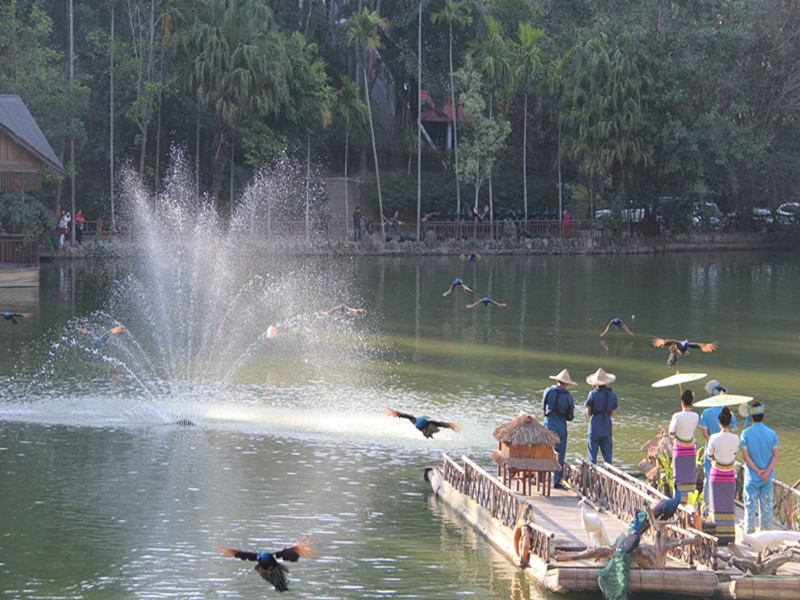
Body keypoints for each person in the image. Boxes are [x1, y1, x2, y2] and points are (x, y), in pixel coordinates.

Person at [739, 402, 779, 532]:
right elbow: (775, 455)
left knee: (750, 508)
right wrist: (767, 471)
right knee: (766, 508)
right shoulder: (772, 434)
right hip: (767, 478)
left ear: (750, 417)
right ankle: (766, 535)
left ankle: (750, 536)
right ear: (763, 416)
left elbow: (746, 457)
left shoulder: (745, 434)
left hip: (752, 477)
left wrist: (757, 471)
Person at [705, 406, 739, 544]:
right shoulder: (736, 438)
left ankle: (716, 533)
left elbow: (709, 455)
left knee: (716, 503)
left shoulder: (713, 437)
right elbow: (734, 454)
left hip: (717, 474)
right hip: (729, 474)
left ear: (719, 422)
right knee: (727, 504)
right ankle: (729, 535)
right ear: (730, 422)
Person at [699, 379, 736, 504]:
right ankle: (724, 504)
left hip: (711, 450)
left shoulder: (706, 413)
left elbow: (705, 433)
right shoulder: (731, 415)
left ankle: (707, 505)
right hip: (727, 452)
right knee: (726, 478)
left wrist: (713, 444)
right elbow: (733, 433)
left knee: (709, 477)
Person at [542, 368, 577, 489]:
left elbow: (543, 408)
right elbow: (570, 416)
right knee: (560, 454)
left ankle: (540, 477)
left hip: (548, 424)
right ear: (566, 384)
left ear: (557, 381)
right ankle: (556, 481)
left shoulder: (548, 391)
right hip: (561, 426)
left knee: (544, 450)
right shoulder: (569, 398)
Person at [669, 389, 700, 497]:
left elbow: (671, 433)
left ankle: (678, 499)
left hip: (679, 449)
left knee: (678, 477)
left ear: (682, 402)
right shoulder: (696, 416)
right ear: (692, 402)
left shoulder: (677, 416)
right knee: (688, 476)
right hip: (690, 449)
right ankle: (688, 499)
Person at [585, 368, 618, 465]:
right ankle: (607, 478)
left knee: (592, 457)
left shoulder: (592, 394)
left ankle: (592, 477)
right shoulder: (613, 395)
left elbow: (589, 412)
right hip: (606, 426)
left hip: (594, 426)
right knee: (608, 458)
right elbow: (612, 413)